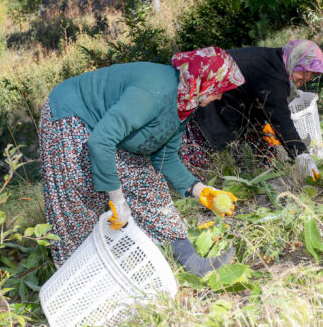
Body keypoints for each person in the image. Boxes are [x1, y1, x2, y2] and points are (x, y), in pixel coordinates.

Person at [39, 46, 245, 276]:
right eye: (219, 89)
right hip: (72, 114)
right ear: (205, 80)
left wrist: (201, 190)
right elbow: (101, 142)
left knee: (146, 183)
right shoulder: (153, 92)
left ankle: (191, 262)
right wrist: (116, 198)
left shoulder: (185, 101)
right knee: (80, 199)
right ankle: (80, 278)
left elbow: (165, 156)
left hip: (108, 132)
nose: (220, 96)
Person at [181, 40, 323, 179]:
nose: (307, 77)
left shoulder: (275, 60)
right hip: (206, 102)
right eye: (304, 71)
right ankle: (189, 192)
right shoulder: (272, 76)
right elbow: (281, 118)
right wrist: (301, 154)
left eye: (312, 73)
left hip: (237, 105)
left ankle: (259, 176)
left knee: (259, 151)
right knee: (198, 155)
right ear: (294, 61)